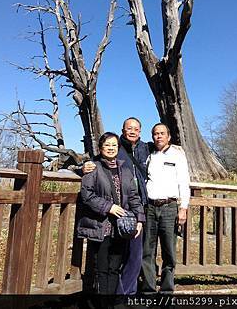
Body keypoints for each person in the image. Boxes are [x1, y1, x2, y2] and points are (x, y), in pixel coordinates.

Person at [81, 117, 151, 294]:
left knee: (115, 266)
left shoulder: (125, 169)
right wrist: (109, 207)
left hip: (121, 225)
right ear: (101, 148)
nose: (111, 148)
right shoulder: (94, 167)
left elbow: (133, 196)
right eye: (107, 145)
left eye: (114, 146)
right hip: (102, 224)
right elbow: (87, 194)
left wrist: (139, 220)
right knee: (102, 268)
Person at [141, 123, 190, 293]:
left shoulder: (178, 155)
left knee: (169, 250)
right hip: (150, 208)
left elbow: (184, 182)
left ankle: (167, 289)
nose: (158, 136)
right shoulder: (150, 156)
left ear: (169, 136)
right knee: (147, 250)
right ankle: (148, 288)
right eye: (155, 134)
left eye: (162, 133)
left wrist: (183, 208)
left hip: (170, 207)